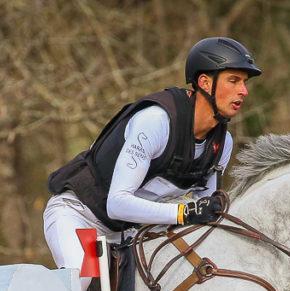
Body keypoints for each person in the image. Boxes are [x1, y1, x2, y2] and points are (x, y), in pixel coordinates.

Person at [43, 37, 260, 269]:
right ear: (205, 83)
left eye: (244, 82)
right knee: (86, 277)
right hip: (81, 216)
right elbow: (117, 204)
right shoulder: (156, 121)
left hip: (131, 233)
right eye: (234, 81)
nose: (244, 91)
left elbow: (202, 210)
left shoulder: (222, 142)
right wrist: (183, 213)